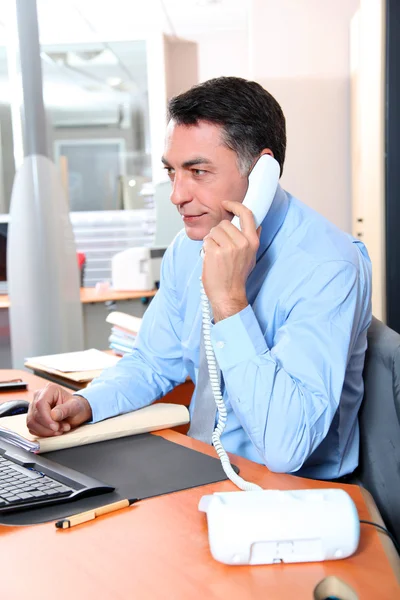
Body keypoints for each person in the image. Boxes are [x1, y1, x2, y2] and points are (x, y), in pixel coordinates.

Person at [27, 77, 372, 480]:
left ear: (261, 171)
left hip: (294, 495)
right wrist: (85, 404)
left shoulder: (327, 266)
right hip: (202, 470)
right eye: (172, 171)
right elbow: (153, 361)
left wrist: (229, 302)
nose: (177, 194)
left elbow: (286, 448)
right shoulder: (188, 246)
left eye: (198, 171)